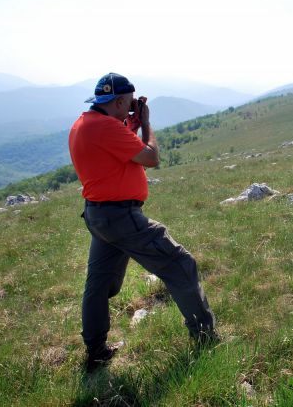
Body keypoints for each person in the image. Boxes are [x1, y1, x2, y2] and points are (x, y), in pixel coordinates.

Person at [68, 72, 217, 371]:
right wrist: (146, 125)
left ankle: (95, 352)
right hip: (121, 217)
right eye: (130, 102)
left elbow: (116, 150)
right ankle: (205, 339)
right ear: (120, 101)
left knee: (98, 285)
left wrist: (130, 123)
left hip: (98, 216)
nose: (133, 106)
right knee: (180, 264)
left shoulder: (84, 124)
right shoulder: (106, 128)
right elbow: (150, 157)